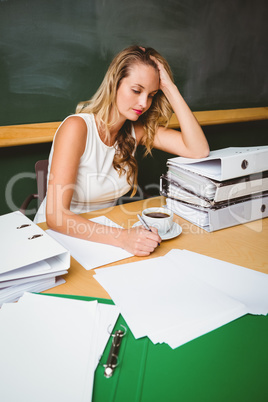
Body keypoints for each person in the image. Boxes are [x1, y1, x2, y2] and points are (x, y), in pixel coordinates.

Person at [35, 45, 209, 256]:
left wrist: (170, 89)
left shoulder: (137, 130)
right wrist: (123, 237)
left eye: (152, 94)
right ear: (114, 83)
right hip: (57, 237)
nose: (144, 103)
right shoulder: (77, 127)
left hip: (101, 238)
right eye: (136, 90)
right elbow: (56, 217)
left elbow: (198, 150)